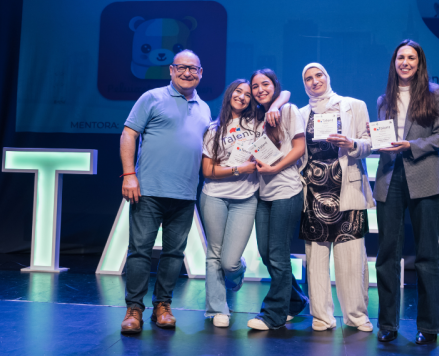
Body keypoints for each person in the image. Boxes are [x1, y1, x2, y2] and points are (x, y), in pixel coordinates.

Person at [119, 50, 211, 333]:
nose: (187, 73)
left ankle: (163, 306)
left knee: (174, 254)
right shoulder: (152, 97)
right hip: (148, 191)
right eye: (182, 68)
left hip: (184, 194)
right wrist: (129, 174)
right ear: (171, 70)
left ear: (201, 73)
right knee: (139, 252)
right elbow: (128, 134)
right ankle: (134, 309)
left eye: (193, 69)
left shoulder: (205, 108)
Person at [371, 40, 439, 345]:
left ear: (419, 63)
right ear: (394, 63)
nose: (405, 62)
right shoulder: (384, 99)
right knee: (387, 254)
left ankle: (430, 325)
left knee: (427, 255)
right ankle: (388, 324)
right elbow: (382, 138)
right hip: (390, 178)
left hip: (424, 177)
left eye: (411, 58)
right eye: (400, 57)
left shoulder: (434, 92)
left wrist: (412, 146)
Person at [200, 79, 290, 328]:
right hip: (214, 195)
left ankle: (237, 273)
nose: (242, 96)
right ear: (229, 94)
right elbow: (208, 171)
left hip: (246, 199)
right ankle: (217, 308)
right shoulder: (213, 128)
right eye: (238, 91)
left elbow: (286, 94)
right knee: (214, 255)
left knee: (229, 261)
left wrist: (277, 104)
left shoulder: (258, 122)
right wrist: (241, 168)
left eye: (248, 94)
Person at [298, 63, 375, 332]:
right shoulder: (300, 113)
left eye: (319, 75)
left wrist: (352, 144)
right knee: (316, 261)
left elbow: (370, 142)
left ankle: (356, 315)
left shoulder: (354, 105)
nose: (314, 81)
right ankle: (321, 316)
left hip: (348, 189)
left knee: (352, 260)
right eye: (308, 78)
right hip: (314, 194)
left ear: (328, 77)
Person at [246, 69, 309, 330]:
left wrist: (275, 167)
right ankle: (295, 300)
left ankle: (274, 314)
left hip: (287, 190)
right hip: (264, 194)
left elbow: (299, 148)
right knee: (265, 253)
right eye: (255, 86)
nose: (260, 89)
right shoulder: (256, 117)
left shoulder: (288, 110)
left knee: (278, 254)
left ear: (275, 86)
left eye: (265, 84)